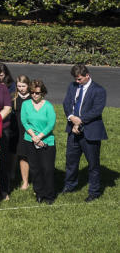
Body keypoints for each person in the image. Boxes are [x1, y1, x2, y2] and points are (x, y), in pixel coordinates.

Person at [62, 63, 107, 202]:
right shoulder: (72, 86)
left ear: (87, 75)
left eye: (79, 79)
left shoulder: (99, 90)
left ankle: (94, 191)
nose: (77, 81)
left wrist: (79, 121)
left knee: (93, 163)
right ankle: (70, 185)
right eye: (76, 79)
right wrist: (71, 117)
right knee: (71, 161)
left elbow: (96, 111)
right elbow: (66, 103)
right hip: (73, 131)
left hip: (90, 131)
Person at [21, 79, 57, 204]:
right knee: (35, 169)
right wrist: (34, 137)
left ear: (43, 93)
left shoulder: (48, 106)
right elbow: (24, 121)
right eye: (32, 93)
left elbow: (51, 124)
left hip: (47, 141)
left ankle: (49, 194)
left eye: (37, 93)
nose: (34, 95)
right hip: (30, 140)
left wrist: (39, 137)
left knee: (47, 168)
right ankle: (39, 193)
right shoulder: (25, 105)